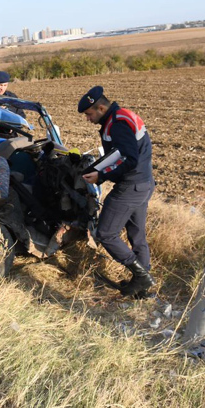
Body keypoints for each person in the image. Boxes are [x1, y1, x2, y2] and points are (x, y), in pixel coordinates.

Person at [78, 86, 155, 299]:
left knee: (106, 233)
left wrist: (101, 176)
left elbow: (129, 159)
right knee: (137, 235)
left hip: (130, 187)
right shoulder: (122, 116)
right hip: (143, 183)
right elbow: (118, 154)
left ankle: (140, 277)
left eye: (89, 114)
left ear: (101, 107)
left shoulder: (118, 124)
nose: (88, 119)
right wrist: (95, 169)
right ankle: (144, 290)